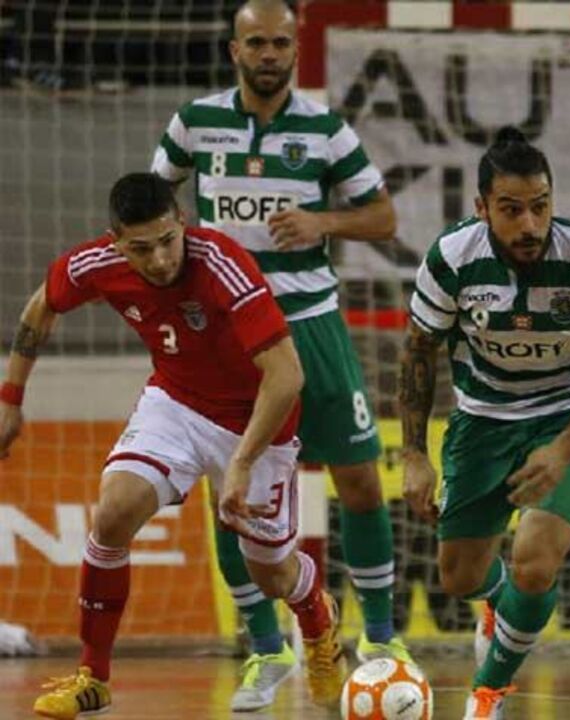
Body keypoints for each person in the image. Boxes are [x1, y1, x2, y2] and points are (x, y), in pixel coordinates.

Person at [0, 173, 345, 719]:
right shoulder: (95, 265)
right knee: (111, 514)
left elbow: (286, 376)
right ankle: (94, 675)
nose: (159, 259)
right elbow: (41, 305)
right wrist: (10, 398)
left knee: (271, 575)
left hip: (256, 419)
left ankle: (315, 611)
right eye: (141, 248)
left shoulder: (222, 264)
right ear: (116, 242)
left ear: (181, 222)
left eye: (167, 241)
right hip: (177, 404)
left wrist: (242, 462)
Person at [151, 1, 406, 710]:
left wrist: (323, 220)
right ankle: (266, 650)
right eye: (256, 42)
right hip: (226, 334)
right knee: (231, 495)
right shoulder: (194, 122)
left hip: (310, 324)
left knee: (357, 478)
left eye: (280, 43)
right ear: (234, 49)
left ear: (296, 49)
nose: (269, 53)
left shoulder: (326, 130)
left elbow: (384, 216)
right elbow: (151, 201)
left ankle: (380, 639)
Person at [399, 126, 570, 719]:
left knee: (535, 564)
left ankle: (488, 695)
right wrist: (413, 453)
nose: (529, 225)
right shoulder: (451, 259)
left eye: (540, 207)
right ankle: (497, 605)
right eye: (511, 210)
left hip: (567, 411)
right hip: (484, 414)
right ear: (482, 207)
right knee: (460, 576)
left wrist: (564, 450)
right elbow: (417, 351)